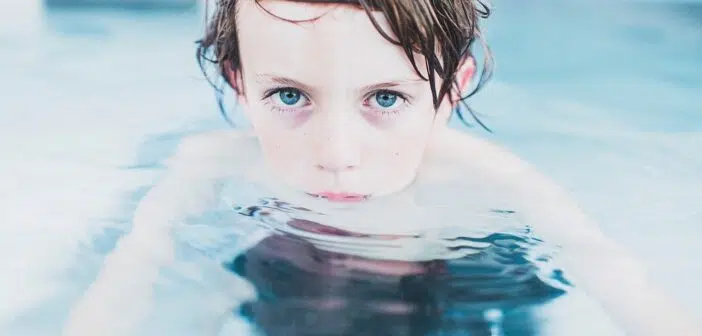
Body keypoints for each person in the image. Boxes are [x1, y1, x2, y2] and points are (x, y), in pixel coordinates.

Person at [63, 0, 700, 335]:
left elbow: (616, 276)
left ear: (452, 89)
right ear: (238, 83)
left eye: (386, 98)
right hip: (293, 284)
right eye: (290, 95)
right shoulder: (205, 162)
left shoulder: (493, 181)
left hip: (461, 284)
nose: (337, 154)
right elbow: (133, 274)